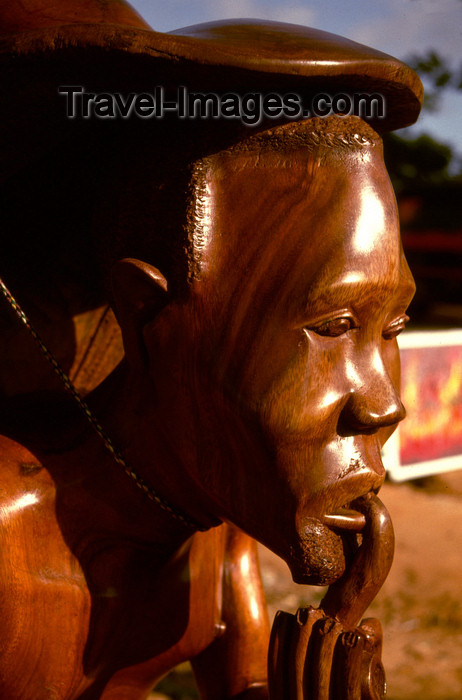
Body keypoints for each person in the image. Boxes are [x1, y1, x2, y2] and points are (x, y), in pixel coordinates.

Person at [0, 3, 422, 698]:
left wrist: (329, 631)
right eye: (334, 325)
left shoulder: (213, 533)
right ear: (148, 314)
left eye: (392, 328)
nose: (386, 403)